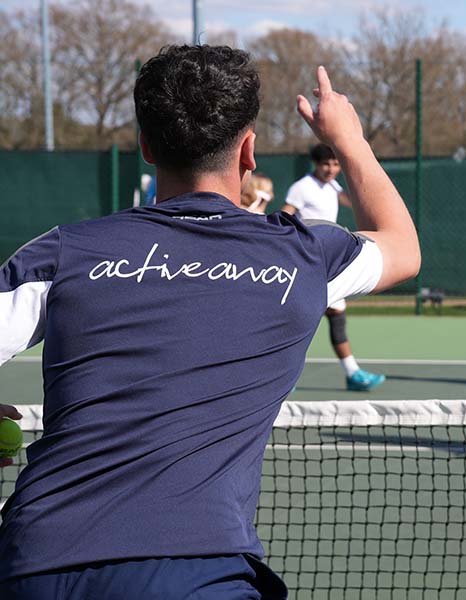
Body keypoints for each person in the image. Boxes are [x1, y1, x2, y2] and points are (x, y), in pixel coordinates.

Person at [0, 45, 420, 599]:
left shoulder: (63, 253)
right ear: (249, 151)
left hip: (34, 565)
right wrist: (350, 138)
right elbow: (402, 247)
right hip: (198, 572)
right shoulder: (303, 258)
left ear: (146, 146)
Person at [281, 143, 386, 392]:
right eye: (326, 164)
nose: (331, 169)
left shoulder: (333, 185)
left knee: (331, 318)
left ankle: (352, 374)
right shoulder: (301, 188)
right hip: (308, 262)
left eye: (336, 164)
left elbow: (350, 199)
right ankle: (348, 373)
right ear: (316, 164)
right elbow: (286, 214)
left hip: (329, 262)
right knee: (305, 320)